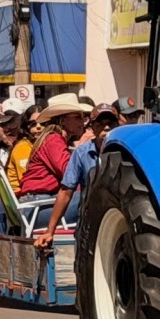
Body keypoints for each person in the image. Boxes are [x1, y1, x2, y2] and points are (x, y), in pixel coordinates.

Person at [34, 103, 118, 248]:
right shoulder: (79, 151)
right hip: (88, 217)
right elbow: (66, 190)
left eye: (111, 123)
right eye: (100, 123)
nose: (106, 127)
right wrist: (50, 231)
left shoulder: (126, 151)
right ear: (92, 127)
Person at [18, 93, 91, 228]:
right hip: (37, 207)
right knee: (93, 196)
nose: (83, 122)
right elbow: (69, 173)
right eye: (78, 117)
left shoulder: (54, 139)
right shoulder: (53, 140)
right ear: (62, 121)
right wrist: (82, 146)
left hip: (40, 203)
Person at [6, 105, 41, 192]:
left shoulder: (48, 143)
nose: (38, 126)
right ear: (27, 126)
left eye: (43, 123)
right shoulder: (22, 147)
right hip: (24, 194)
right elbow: (27, 179)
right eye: (33, 123)